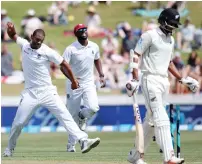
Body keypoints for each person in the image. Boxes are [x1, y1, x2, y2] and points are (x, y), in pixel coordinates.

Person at [3, 22, 100, 157]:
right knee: (18, 123)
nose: (38, 43)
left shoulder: (47, 51)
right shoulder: (24, 45)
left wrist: (73, 80)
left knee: (65, 115)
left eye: (41, 41)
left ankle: (83, 140)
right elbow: (13, 36)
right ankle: (9, 148)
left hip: (48, 91)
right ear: (31, 36)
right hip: (30, 93)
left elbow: (64, 64)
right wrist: (11, 30)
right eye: (36, 40)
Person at [125, 8, 199, 164]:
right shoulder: (149, 35)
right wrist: (134, 78)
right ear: (163, 20)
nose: (173, 27)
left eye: (175, 24)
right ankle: (169, 157)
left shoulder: (170, 40)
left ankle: (135, 155)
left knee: (151, 122)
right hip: (149, 79)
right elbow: (136, 55)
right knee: (161, 117)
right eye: (171, 23)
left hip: (163, 81)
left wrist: (182, 79)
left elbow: (169, 62)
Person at [62, 24, 105, 152]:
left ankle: (83, 116)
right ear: (76, 34)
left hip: (88, 83)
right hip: (73, 85)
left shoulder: (94, 46)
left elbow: (97, 59)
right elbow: (62, 67)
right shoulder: (70, 49)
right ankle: (71, 145)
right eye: (81, 30)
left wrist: (101, 75)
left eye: (85, 29)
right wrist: (72, 80)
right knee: (72, 116)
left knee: (93, 107)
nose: (84, 32)